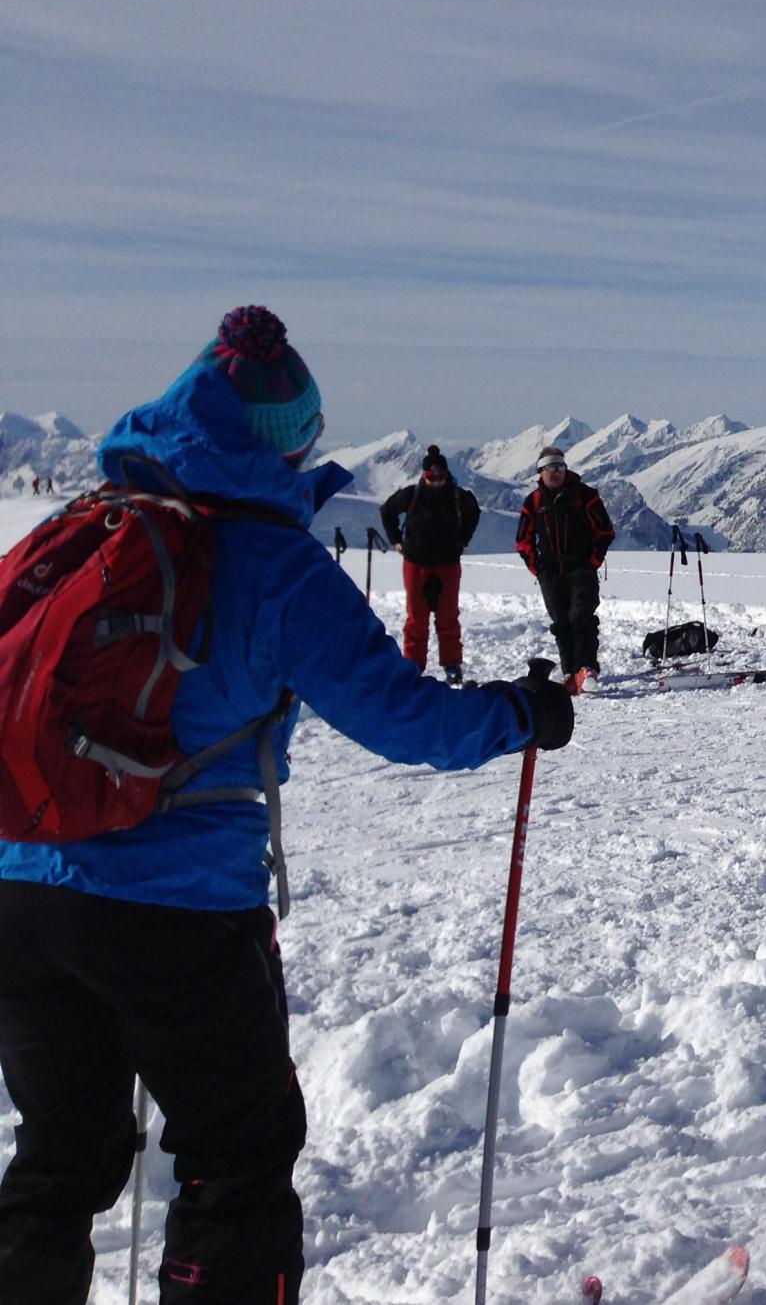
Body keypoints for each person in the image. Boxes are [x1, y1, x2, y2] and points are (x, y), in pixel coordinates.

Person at [0, 305, 573, 1305]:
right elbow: (403, 718)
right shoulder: (273, 561)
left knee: (58, 1155)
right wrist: (521, 714)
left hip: (21, 885)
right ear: (282, 443)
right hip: (177, 906)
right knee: (237, 1156)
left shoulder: (82, 524)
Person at [515, 445, 614, 695]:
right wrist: (537, 568)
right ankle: (570, 672)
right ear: (541, 472)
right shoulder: (534, 502)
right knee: (561, 623)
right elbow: (523, 540)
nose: (556, 472)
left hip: (581, 568)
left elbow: (605, 531)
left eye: (560, 466)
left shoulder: (585, 496)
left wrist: (593, 561)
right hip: (550, 571)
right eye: (551, 467)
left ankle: (586, 669)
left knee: (582, 618)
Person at [381, 444, 482, 685]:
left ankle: (452, 664)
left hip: (447, 563)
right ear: (424, 475)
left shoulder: (458, 496)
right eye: (431, 477)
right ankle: (413, 666)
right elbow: (387, 511)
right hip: (416, 563)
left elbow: (474, 513)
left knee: (448, 616)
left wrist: (463, 540)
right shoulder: (412, 495)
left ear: (446, 474)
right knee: (417, 618)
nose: (436, 482)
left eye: (440, 477)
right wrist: (396, 540)